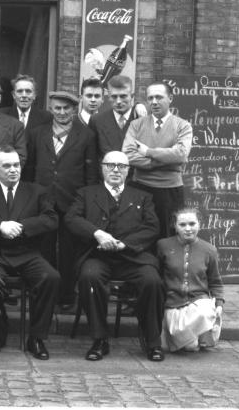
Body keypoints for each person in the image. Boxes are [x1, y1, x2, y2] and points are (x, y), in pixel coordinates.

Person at [65, 151, 165, 362]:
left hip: (132, 257)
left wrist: (125, 244)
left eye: (121, 166)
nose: (116, 170)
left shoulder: (142, 196)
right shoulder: (86, 193)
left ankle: (152, 341)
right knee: (89, 278)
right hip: (97, 255)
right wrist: (97, 233)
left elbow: (152, 227)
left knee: (152, 281)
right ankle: (99, 340)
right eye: (110, 165)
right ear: (102, 168)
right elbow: (71, 218)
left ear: (129, 170)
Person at [0, 146, 60, 358]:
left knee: (50, 277)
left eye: (16, 165)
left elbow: (51, 219)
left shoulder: (36, 191)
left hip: (26, 252)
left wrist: (22, 226)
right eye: (6, 166)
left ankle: (37, 337)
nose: (13, 170)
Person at [23, 90, 99, 307]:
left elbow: (91, 174)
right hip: (43, 200)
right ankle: (42, 292)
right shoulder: (37, 133)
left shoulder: (86, 135)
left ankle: (66, 295)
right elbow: (30, 168)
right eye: (57, 108)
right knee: (42, 248)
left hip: (72, 200)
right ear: (51, 109)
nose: (62, 112)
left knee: (69, 251)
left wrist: (86, 203)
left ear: (74, 110)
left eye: (67, 108)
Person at [122, 81, 193, 238]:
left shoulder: (183, 126)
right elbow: (128, 154)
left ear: (170, 98)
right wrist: (165, 160)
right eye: (150, 98)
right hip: (140, 187)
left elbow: (181, 154)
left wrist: (148, 151)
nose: (154, 102)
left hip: (170, 191)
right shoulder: (136, 125)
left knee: (169, 235)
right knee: (139, 234)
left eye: (159, 97)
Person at [158, 208, 224, 352]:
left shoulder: (209, 250)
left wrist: (219, 303)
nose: (188, 229)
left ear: (199, 224)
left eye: (192, 223)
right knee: (190, 346)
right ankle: (187, 338)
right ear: (175, 226)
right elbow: (156, 275)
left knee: (205, 312)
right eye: (182, 225)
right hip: (172, 303)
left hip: (198, 303)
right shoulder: (163, 245)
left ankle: (197, 335)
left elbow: (215, 281)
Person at [89, 75, 144, 162]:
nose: (118, 101)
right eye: (114, 97)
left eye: (123, 96)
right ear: (108, 97)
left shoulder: (141, 117)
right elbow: (92, 156)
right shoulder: (97, 120)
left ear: (132, 96)